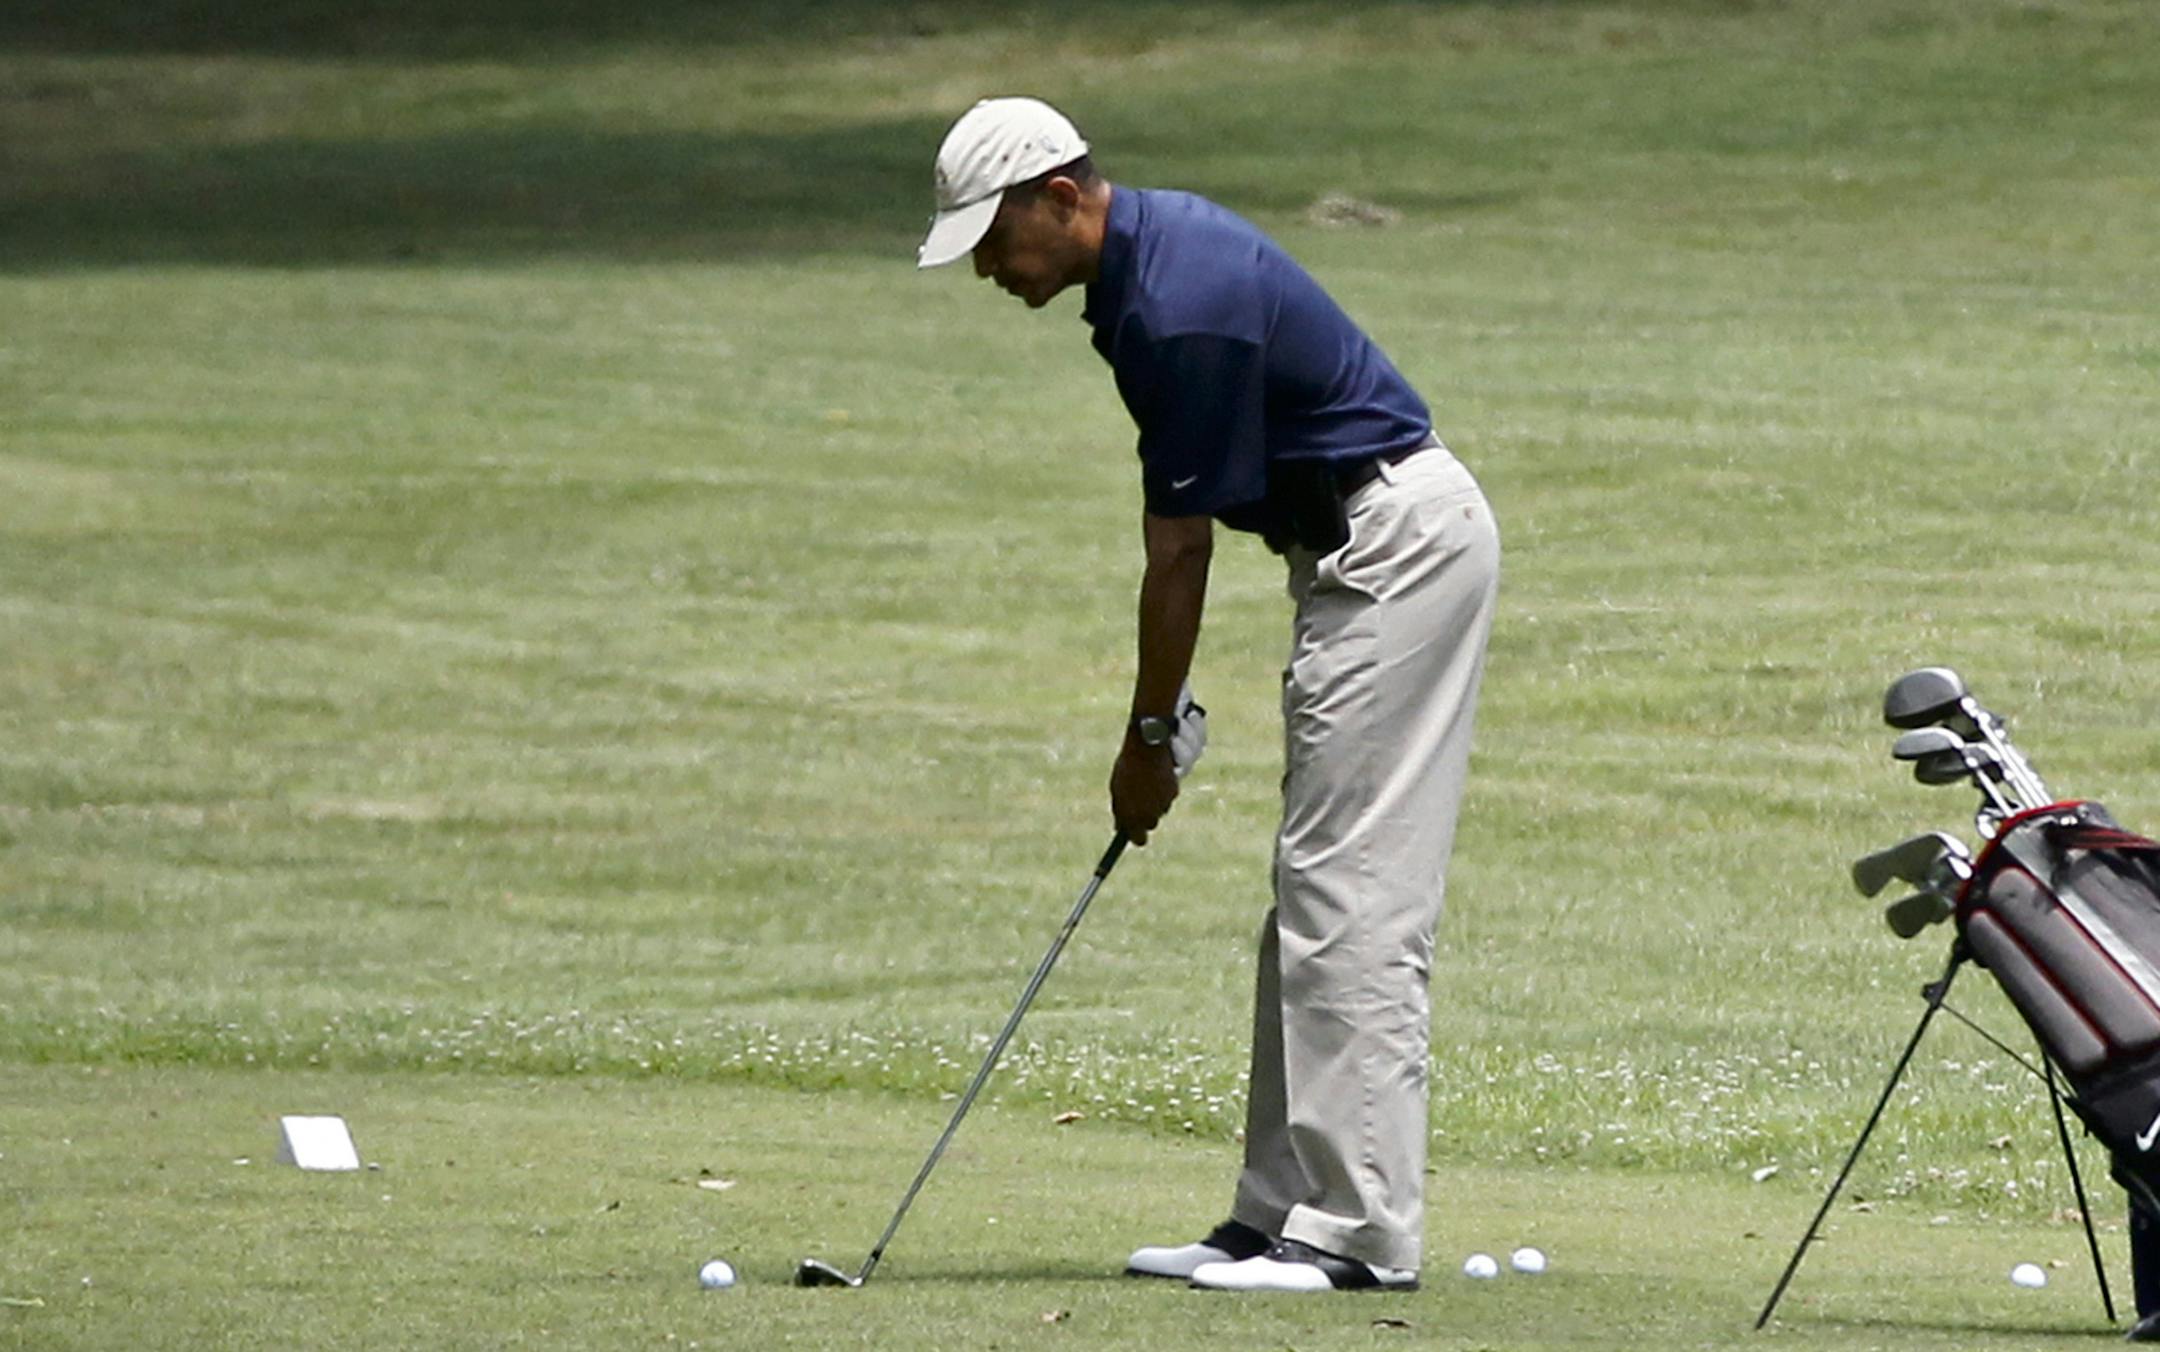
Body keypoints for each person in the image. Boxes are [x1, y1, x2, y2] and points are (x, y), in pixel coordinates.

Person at [917, 96, 1500, 1294]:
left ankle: (1359, 1236)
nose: (984, 264)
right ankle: (1277, 1211)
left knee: (1352, 896)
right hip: (1354, 554)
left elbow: (1179, 549)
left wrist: (1148, 739)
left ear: (1062, 200)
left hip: (1394, 548)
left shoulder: (1176, 304)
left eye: (992, 234)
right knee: (1314, 891)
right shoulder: (1140, 279)